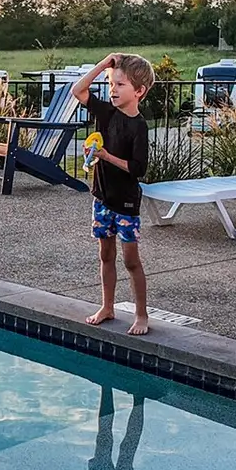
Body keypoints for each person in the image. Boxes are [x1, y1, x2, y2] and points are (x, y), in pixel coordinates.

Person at [71, 53, 153, 335]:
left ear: (139, 91)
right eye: (111, 84)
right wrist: (105, 65)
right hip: (102, 197)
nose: (113, 90)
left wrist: (106, 156)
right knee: (105, 255)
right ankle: (107, 306)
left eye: (120, 85)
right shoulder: (106, 113)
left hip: (126, 203)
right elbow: (77, 90)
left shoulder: (139, 127)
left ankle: (141, 315)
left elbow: (138, 169)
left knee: (131, 260)